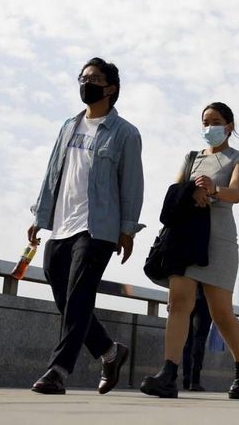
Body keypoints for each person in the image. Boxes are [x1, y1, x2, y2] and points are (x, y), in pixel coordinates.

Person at [28, 57, 143, 395]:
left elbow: (132, 184)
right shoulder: (68, 126)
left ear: (111, 89)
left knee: (79, 296)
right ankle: (110, 351)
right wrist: (39, 216)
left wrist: (127, 229)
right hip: (61, 224)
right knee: (66, 296)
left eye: (93, 78)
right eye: (83, 77)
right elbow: (52, 172)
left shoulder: (125, 133)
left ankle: (58, 371)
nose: (85, 82)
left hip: (98, 229)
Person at [140, 102, 239, 399]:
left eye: (215, 121)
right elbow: (174, 190)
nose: (209, 127)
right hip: (188, 238)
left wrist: (214, 190)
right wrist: (192, 189)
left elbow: (237, 193)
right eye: (205, 122)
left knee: (221, 312)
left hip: (220, 241)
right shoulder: (191, 157)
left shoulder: (237, 157)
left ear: (228, 126)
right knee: (178, 303)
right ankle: (168, 373)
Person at [181, 284, 211, 391]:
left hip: (188, 293)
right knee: (200, 339)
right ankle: (195, 381)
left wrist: (170, 299)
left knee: (187, 341)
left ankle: (186, 380)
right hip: (207, 297)